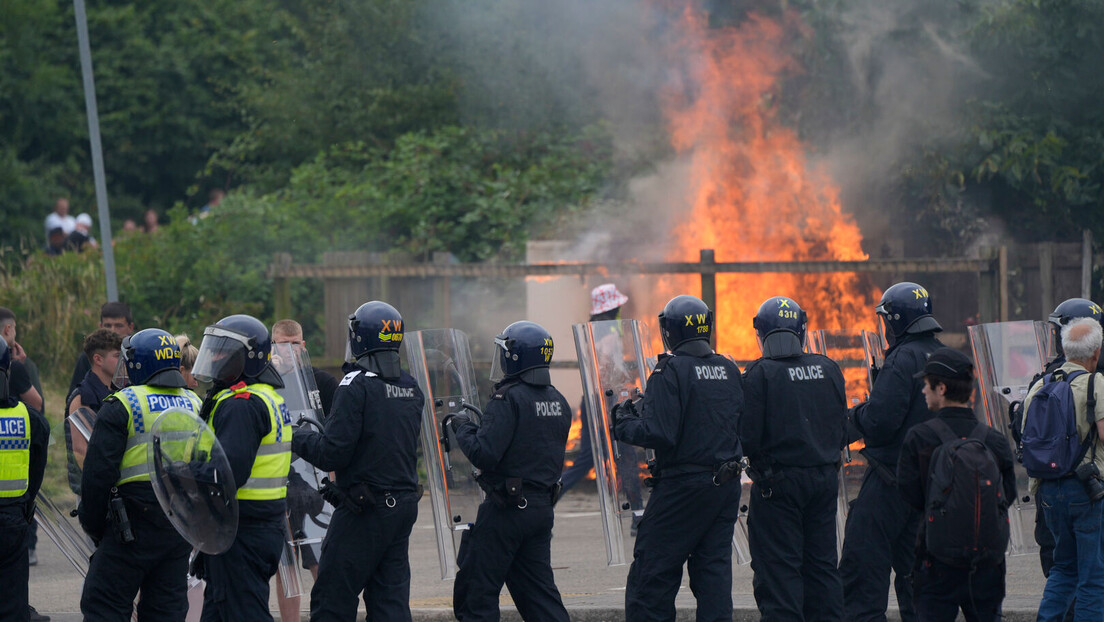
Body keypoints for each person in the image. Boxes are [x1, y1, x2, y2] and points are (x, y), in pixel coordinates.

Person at [613, 295, 744, 622]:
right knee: (713, 574)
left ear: (669, 330)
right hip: (725, 488)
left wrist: (624, 422)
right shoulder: (728, 368)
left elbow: (660, 433)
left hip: (682, 489)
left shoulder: (668, 371)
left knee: (652, 575)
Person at [292, 302, 424, 621]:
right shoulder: (410, 385)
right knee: (389, 601)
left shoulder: (356, 384)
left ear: (360, 338)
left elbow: (331, 453)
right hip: (403, 507)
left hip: (366, 509)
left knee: (332, 598)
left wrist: (295, 435)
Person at [447, 320, 572, 622]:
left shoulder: (508, 398)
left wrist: (463, 428)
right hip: (540, 510)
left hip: (506, 511)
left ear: (515, 356)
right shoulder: (558, 400)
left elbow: (485, 454)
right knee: (540, 597)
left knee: (475, 595)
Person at [78, 329, 202, 621]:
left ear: (138, 364)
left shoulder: (124, 403)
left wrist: (96, 528)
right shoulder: (196, 404)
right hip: (178, 527)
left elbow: (97, 477)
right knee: (166, 612)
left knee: (104, 606)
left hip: (129, 529)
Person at [840, 281, 944, 622]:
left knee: (862, 566)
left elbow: (881, 420)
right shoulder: (943, 356)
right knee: (917, 575)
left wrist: (852, 417)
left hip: (891, 482)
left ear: (896, 321)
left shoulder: (902, 358)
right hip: (930, 483)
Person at [740, 296, 847, 621]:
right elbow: (841, 429)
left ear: (761, 332)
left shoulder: (759, 374)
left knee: (779, 575)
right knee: (823, 570)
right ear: (801, 329)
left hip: (778, 489)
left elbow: (746, 438)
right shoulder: (829, 368)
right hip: (825, 484)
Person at [897, 347, 1016, 621]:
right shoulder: (994, 440)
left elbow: (910, 495)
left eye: (926, 385)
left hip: (935, 560)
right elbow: (1006, 494)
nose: (923, 391)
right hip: (988, 563)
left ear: (941, 388)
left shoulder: (919, 438)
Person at [191, 314, 291, 621]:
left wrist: (185, 474)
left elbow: (227, 473)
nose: (214, 357)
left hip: (241, 529)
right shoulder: (265, 397)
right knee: (218, 613)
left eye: (223, 352)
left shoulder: (241, 404)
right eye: (213, 349)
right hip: (255, 525)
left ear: (246, 357)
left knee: (245, 613)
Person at [1023, 318, 1104, 621]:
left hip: (1048, 491)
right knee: (1093, 574)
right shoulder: (1096, 383)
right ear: (1095, 353)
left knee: (1063, 568)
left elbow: (1025, 437)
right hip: (1087, 491)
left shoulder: (1040, 385)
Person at [270, 318, 337, 622]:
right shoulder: (265, 383)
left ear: (303, 346)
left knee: (320, 560)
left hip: (315, 484)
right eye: (281, 344)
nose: (288, 350)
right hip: (277, 483)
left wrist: (335, 479)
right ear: (272, 345)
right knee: (285, 568)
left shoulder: (320, 382)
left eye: (293, 344)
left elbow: (338, 437)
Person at [0, 336, 50, 622]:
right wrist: (25, 503)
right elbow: (37, 469)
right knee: (13, 603)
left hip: (14, 517)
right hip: (13, 520)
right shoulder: (29, 418)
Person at [69, 302, 135, 398]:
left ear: (130, 327)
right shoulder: (87, 357)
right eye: (108, 325)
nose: (113, 330)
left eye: (119, 326)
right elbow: (73, 397)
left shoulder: (139, 354)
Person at [68, 329, 123, 415]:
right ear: (98, 359)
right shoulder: (83, 398)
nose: (123, 360)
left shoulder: (123, 390)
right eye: (117, 356)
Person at [0, 308, 44, 413]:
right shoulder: (15, 367)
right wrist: (21, 367)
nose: (15, 334)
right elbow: (37, 405)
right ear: (7, 329)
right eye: (14, 328)